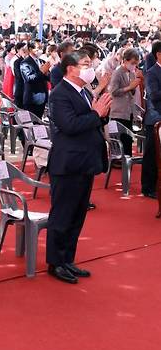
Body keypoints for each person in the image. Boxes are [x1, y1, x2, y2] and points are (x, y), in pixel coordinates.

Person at [46, 51, 111, 284]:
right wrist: (96, 114)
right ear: (70, 69)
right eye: (85, 64)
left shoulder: (83, 91)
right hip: (68, 163)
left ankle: (68, 259)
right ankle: (55, 262)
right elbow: (70, 125)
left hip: (85, 161)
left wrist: (101, 113)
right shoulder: (60, 94)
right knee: (63, 215)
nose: (90, 67)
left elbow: (92, 119)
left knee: (77, 214)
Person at [109, 48, 141, 156]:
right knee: (121, 140)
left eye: (136, 64)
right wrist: (129, 87)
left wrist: (133, 87)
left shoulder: (132, 73)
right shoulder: (117, 73)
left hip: (129, 111)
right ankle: (120, 161)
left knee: (128, 139)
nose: (134, 66)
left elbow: (131, 92)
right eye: (132, 63)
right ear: (125, 60)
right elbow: (113, 91)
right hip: (119, 111)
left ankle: (128, 161)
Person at [142, 41, 161, 199]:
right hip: (155, 119)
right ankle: (148, 187)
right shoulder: (152, 73)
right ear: (158, 54)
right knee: (152, 155)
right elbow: (153, 95)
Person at [13, 42, 28, 108]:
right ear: (18, 50)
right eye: (23, 49)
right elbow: (19, 76)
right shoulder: (17, 62)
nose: (25, 51)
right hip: (21, 91)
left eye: (26, 49)